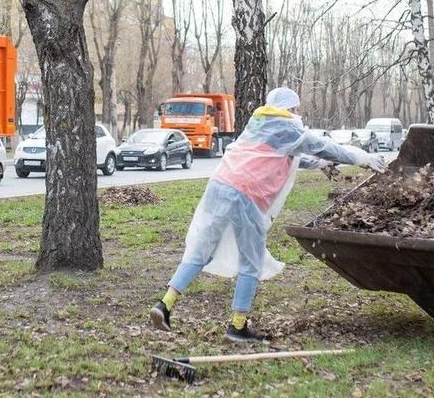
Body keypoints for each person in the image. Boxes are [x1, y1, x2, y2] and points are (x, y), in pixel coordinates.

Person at [149, 87, 387, 342]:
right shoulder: (288, 128)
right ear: (290, 109)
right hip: (247, 193)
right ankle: (237, 327)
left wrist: (320, 165)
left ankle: (165, 304)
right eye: (295, 109)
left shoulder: (257, 124)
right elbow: (321, 146)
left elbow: (290, 155)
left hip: (220, 186)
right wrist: (361, 157)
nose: (298, 113)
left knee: (201, 251)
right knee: (251, 261)